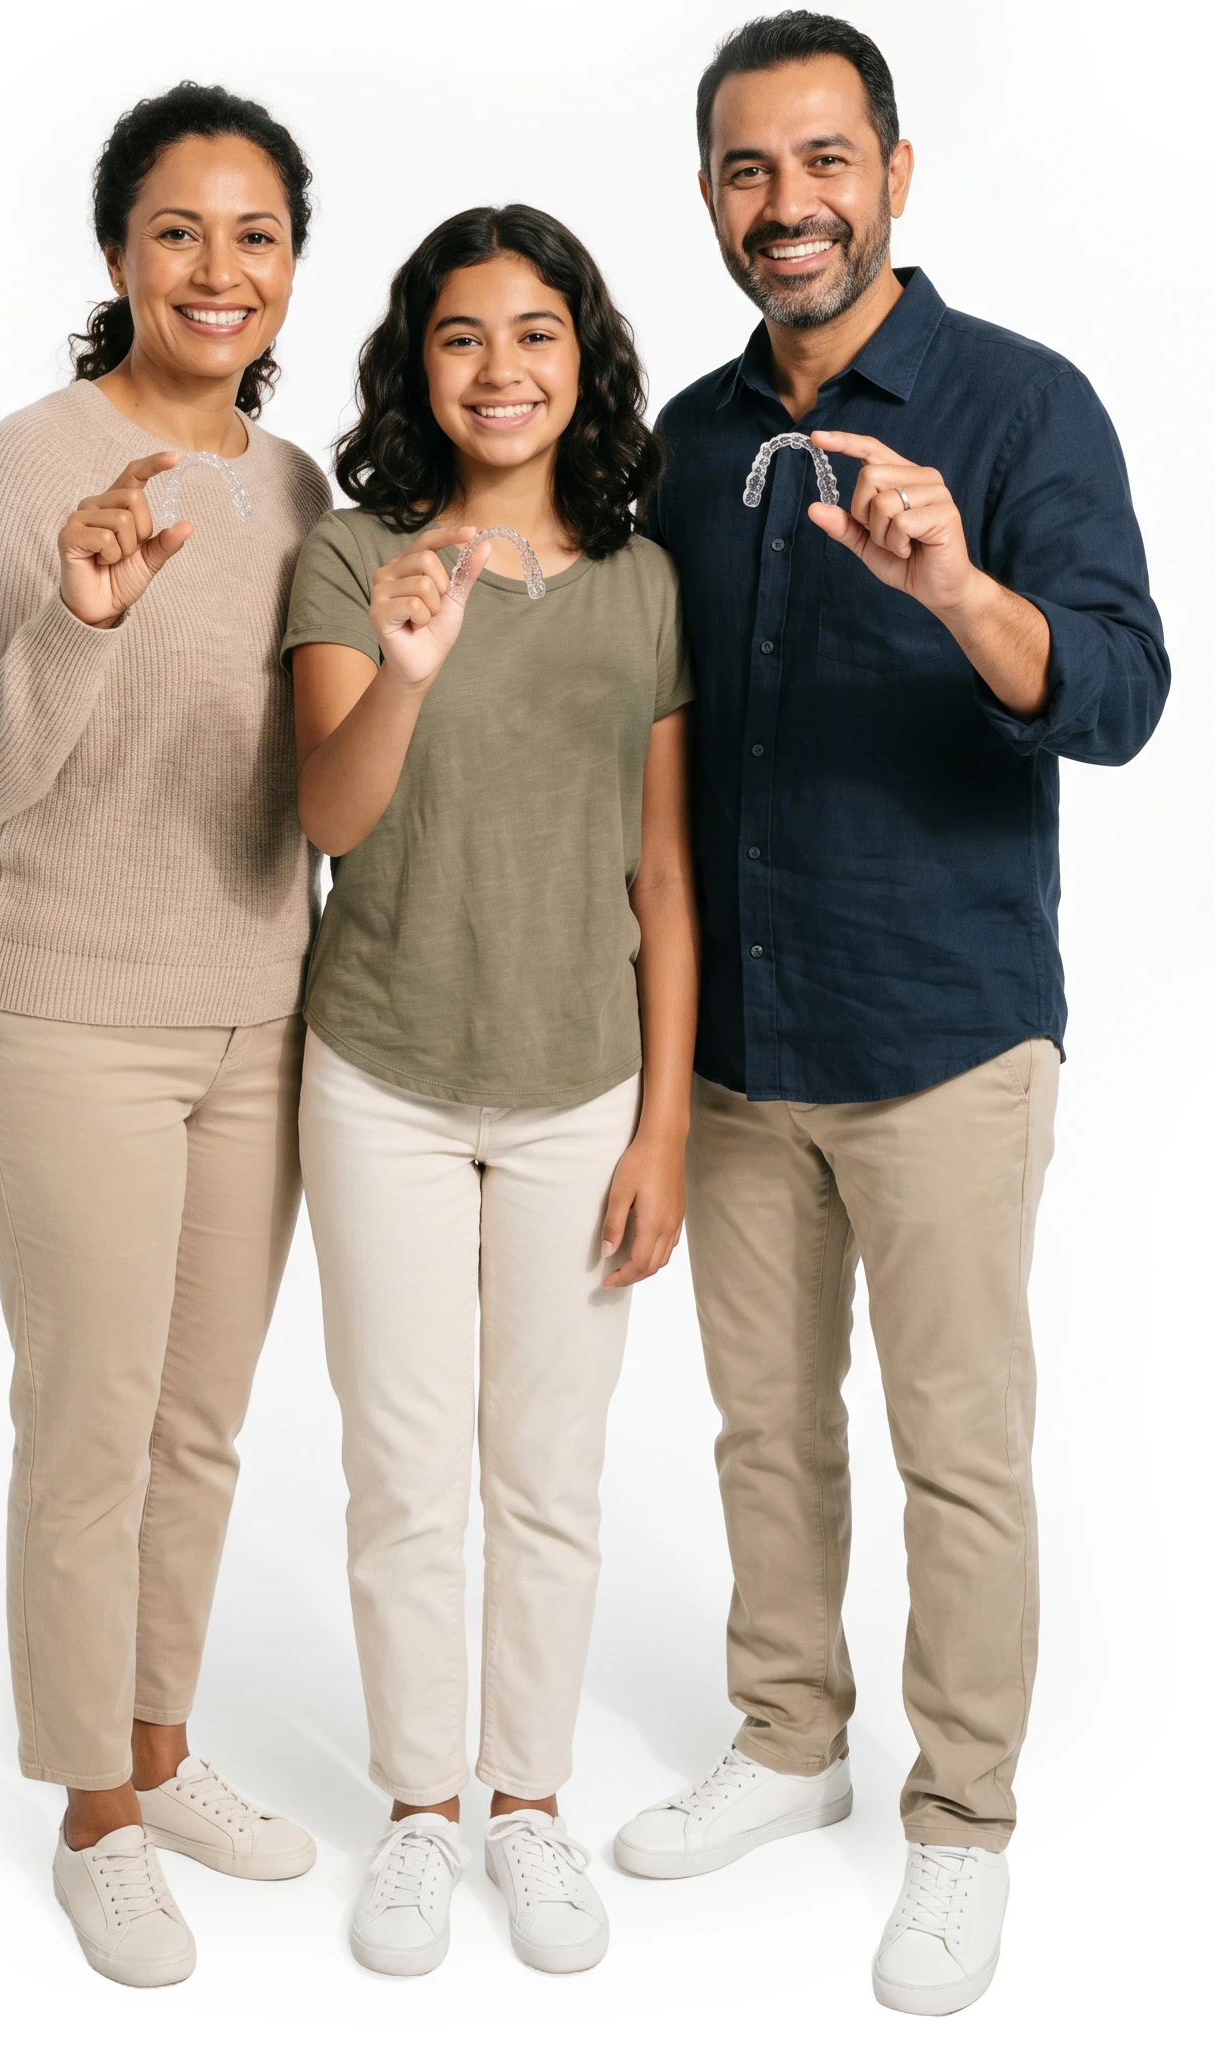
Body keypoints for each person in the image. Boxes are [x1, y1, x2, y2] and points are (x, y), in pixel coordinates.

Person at [612, 11, 1168, 2018]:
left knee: (958, 1447)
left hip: (943, 1030)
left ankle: (962, 1821)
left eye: (824, 160)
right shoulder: (683, 442)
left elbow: (1117, 695)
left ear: (895, 176)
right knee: (764, 1428)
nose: (790, 204)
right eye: (748, 169)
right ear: (709, 196)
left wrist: (955, 590)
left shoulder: (1022, 406)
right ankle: (789, 1738)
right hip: (741, 1044)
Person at [0, 82, 330, 1987]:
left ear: (293, 263)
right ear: (118, 254)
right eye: (180, 230)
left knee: (200, 1425)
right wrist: (77, 620)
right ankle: (93, 1813)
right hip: (66, 1017)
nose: (218, 269)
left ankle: (159, 1749)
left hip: (261, 1017)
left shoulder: (300, 489)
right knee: (86, 1426)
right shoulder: (34, 464)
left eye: (256, 234)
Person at [285, 204, 698, 1977]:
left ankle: (526, 1804)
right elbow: (328, 815)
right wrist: (408, 668)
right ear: (419, 363)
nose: (501, 368)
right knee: (400, 1472)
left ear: (584, 360)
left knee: (548, 1473)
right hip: (378, 1071)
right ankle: (418, 1813)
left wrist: (664, 1124)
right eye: (463, 335)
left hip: (579, 1088)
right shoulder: (350, 555)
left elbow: (661, 875)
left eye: (538, 333)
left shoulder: (645, 582)